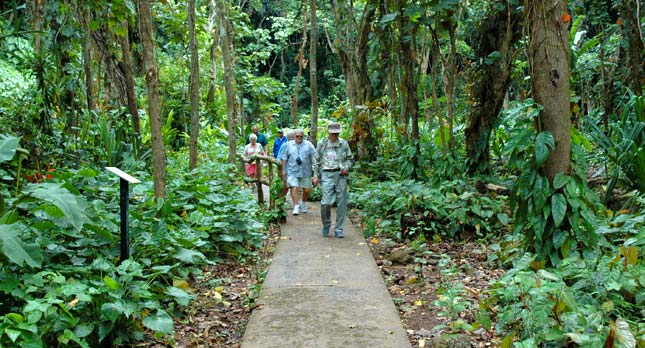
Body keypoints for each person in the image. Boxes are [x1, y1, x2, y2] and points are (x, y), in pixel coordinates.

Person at [312, 122, 353, 238]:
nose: (334, 136)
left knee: (341, 203)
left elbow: (350, 159)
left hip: (340, 175)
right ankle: (326, 224)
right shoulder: (322, 144)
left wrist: (346, 167)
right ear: (328, 133)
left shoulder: (343, 144)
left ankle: (339, 228)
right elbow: (316, 160)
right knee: (326, 202)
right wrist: (315, 176)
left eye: (336, 134)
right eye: (332, 134)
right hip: (326, 174)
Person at [280, 129, 316, 216]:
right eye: (297, 136)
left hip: (306, 171)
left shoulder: (309, 145)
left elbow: (314, 158)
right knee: (294, 187)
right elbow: (284, 158)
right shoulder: (288, 145)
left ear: (303, 136)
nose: (299, 138)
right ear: (294, 136)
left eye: (301, 136)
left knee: (307, 190)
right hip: (293, 170)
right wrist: (284, 170)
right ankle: (296, 205)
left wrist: (315, 173)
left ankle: (303, 203)